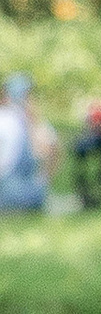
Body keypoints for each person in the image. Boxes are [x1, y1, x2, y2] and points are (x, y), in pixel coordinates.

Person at [0, 72, 59, 213]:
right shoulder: (9, 119)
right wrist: (43, 181)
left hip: (16, 188)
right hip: (16, 189)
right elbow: (52, 150)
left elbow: (52, 149)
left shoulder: (26, 121)